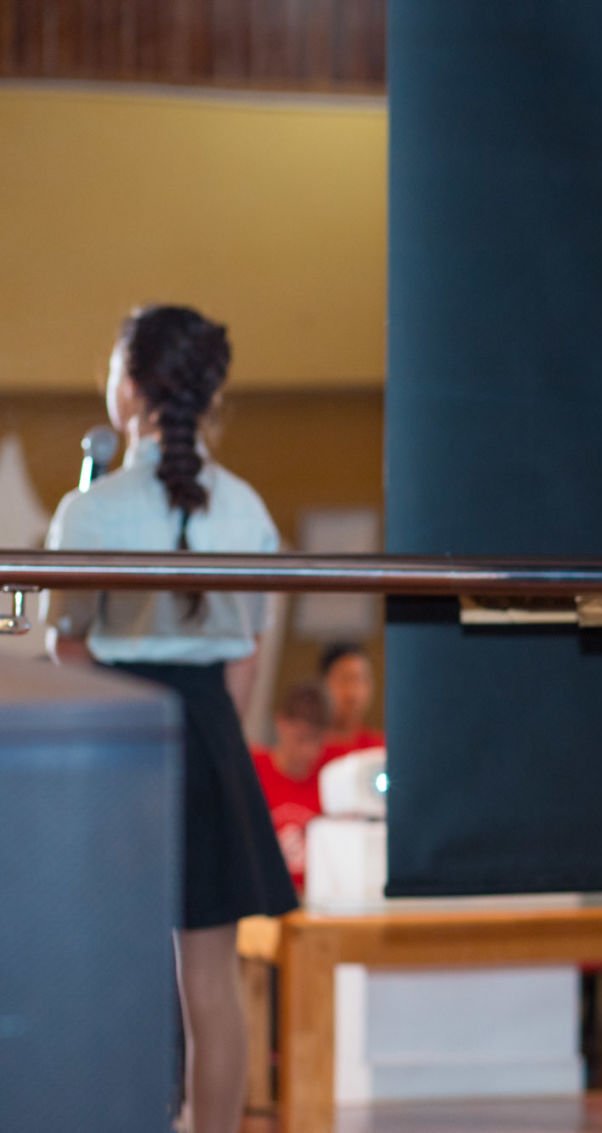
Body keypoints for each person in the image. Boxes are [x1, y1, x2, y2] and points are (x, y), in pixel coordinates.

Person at [42, 304, 296, 1133]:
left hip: (120, 738)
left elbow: (67, 647)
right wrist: (215, 736)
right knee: (212, 985)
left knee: (110, 971)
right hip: (211, 730)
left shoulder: (91, 510)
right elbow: (247, 655)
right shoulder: (247, 507)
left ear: (131, 385)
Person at [252, 682, 334, 892]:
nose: (309, 751)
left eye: (317, 741)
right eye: (301, 739)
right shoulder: (252, 770)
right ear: (281, 723)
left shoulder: (332, 776)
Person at [318, 640, 383, 760]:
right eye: (345, 679)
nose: (353, 692)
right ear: (323, 684)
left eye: (361, 679)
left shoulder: (380, 750)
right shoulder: (305, 751)